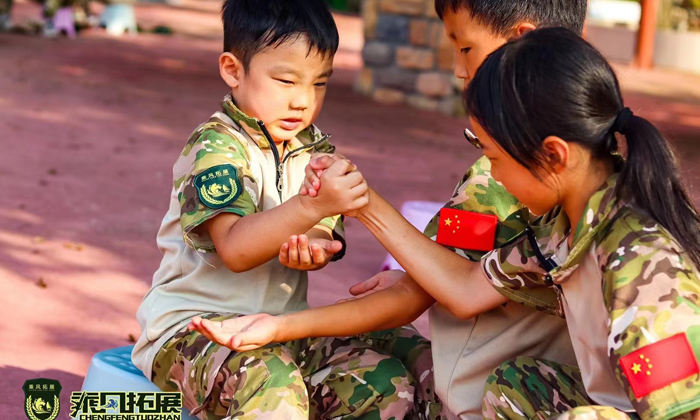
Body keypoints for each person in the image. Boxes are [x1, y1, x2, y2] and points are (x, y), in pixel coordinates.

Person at [190, 1, 592, 418]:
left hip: (521, 394)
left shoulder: (538, 186)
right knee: (384, 363)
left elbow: (455, 289)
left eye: (465, 48)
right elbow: (451, 277)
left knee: (289, 386)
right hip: (206, 330)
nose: (458, 69)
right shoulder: (221, 144)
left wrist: (347, 214)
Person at [131, 0, 434, 418]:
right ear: (233, 70)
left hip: (280, 329)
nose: (303, 101)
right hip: (193, 331)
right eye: (286, 80)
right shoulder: (217, 147)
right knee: (272, 381)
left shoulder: (315, 149)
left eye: (319, 83)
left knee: (386, 379)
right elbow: (235, 248)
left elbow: (322, 230)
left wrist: (313, 247)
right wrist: (312, 207)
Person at [460, 27, 700, 420]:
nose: (492, 172)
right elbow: (466, 288)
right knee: (518, 385)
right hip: (627, 406)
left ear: (553, 155)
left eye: (495, 157)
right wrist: (367, 206)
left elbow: (687, 410)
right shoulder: (567, 226)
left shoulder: (639, 260)